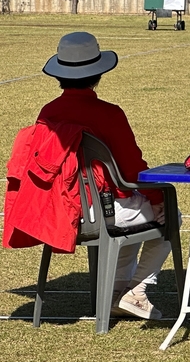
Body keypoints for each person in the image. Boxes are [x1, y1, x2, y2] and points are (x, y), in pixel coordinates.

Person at [37, 32, 171, 318]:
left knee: (131, 212)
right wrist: (159, 199)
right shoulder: (109, 114)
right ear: (97, 73)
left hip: (59, 213)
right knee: (169, 213)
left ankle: (115, 294)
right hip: (103, 212)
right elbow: (133, 168)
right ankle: (136, 291)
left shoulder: (47, 112)